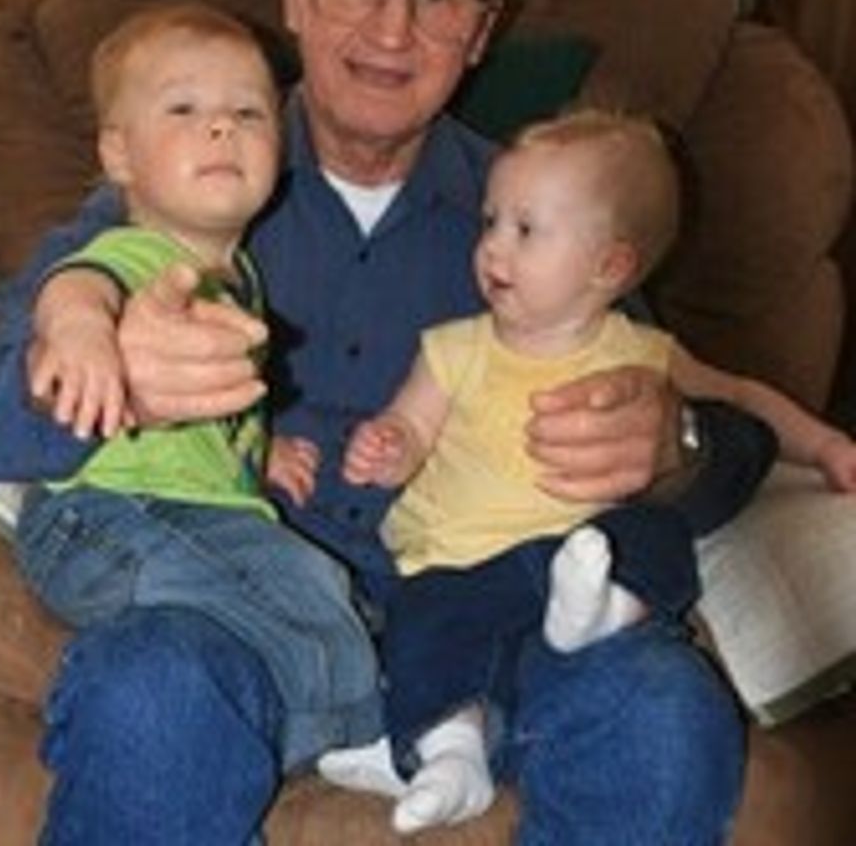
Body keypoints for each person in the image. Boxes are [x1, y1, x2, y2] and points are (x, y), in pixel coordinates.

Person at [0, 0, 775, 846]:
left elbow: (728, 434)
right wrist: (96, 357)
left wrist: (674, 442)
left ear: (480, 30)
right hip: (235, 619)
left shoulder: (542, 208)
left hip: (495, 619)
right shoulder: (193, 172)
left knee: (664, 714)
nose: (393, 29)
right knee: (152, 692)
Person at [317, 108, 856, 834]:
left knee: (653, 532)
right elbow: (411, 425)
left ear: (610, 267)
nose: (493, 246)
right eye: (491, 222)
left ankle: (613, 610)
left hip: (581, 562)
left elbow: (743, 399)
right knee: (427, 627)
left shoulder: (647, 355)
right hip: (460, 566)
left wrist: (825, 447)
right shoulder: (457, 348)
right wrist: (388, 448)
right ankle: (450, 754)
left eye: (525, 229)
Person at [0, 0, 383, 788]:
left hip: (176, 519)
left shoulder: (239, 275)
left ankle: (272, 749)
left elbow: (207, 422)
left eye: (248, 113)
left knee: (309, 584)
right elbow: (77, 284)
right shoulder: (140, 251)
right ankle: (353, 735)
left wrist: (259, 453)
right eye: (184, 109)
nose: (221, 127)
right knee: (298, 583)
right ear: (119, 155)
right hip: (104, 520)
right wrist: (81, 332)